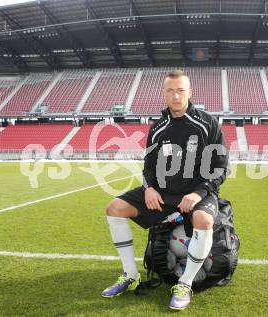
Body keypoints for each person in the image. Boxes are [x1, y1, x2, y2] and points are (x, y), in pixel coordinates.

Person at [101, 69, 229, 310]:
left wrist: (197, 194)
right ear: (164, 94)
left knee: (203, 221)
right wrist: (149, 189)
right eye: (170, 91)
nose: (176, 96)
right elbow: (149, 168)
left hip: (197, 192)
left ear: (190, 92)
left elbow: (220, 168)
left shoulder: (208, 123)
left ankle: (185, 283)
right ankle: (130, 275)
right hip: (163, 193)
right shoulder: (158, 127)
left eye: (181, 90)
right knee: (114, 208)